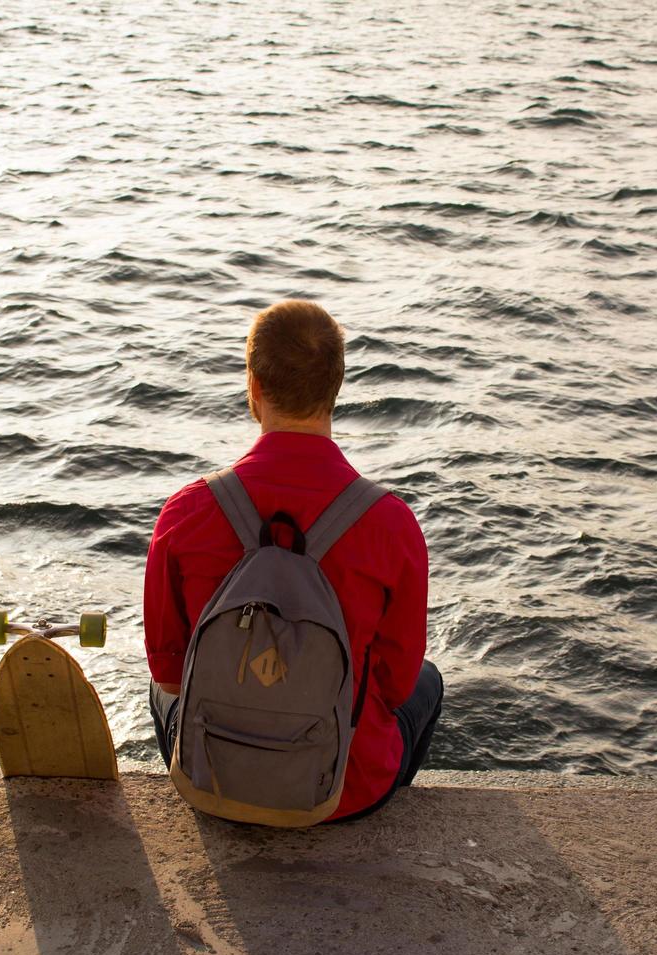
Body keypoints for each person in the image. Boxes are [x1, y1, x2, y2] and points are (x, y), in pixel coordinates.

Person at [143, 299, 443, 822]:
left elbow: (170, 678)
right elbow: (394, 685)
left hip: (213, 783)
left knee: (159, 686)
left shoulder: (187, 512)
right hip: (344, 794)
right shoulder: (390, 522)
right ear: (336, 388)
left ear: (254, 388)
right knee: (427, 682)